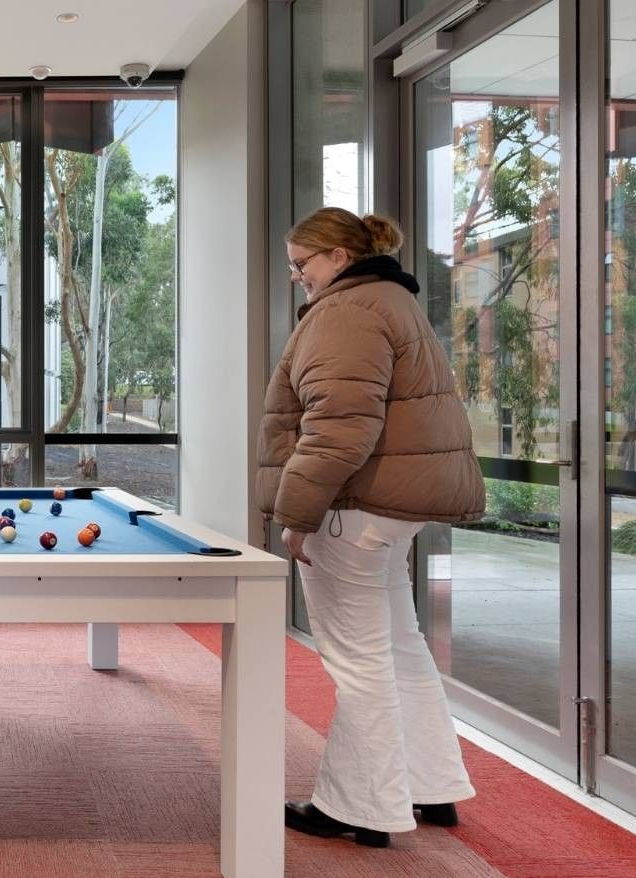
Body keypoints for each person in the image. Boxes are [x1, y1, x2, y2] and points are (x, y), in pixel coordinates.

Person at [255, 207, 485, 847]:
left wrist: (298, 517)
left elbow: (336, 429)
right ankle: (429, 785)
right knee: (401, 646)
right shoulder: (393, 301)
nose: (298, 276)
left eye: (303, 264)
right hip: (391, 510)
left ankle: (358, 808)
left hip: (353, 510)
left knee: (358, 661)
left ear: (338, 258)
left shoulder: (347, 312)